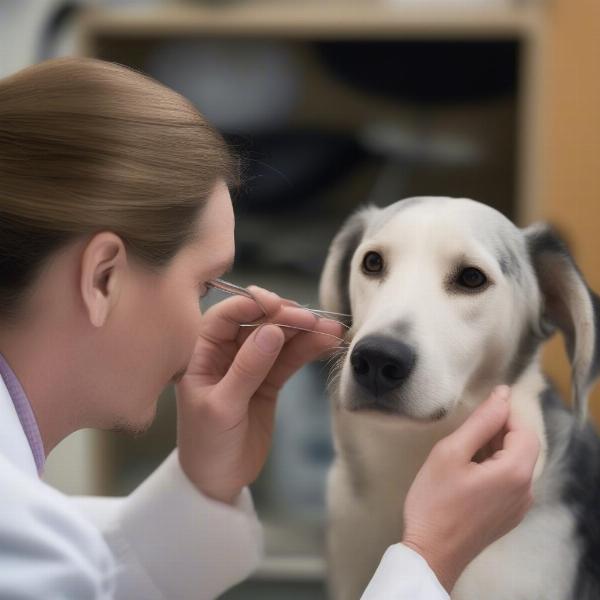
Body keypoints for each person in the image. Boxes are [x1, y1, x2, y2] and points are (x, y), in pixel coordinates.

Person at [0, 57, 540, 600]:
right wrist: (431, 556)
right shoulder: (22, 539)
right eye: (206, 286)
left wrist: (204, 482)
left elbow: (91, 576)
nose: (204, 328)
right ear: (103, 279)